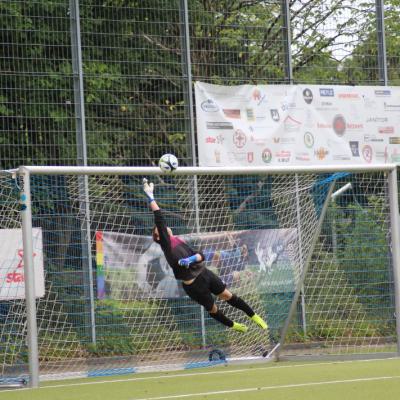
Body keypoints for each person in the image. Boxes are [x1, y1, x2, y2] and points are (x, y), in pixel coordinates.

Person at [143, 178, 268, 333]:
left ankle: (254, 316)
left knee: (229, 296)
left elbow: (200, 255)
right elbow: (159, 218)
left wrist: (190, 259)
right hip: (194, 286)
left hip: (205, 274)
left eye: (162, 228)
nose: (163, 228)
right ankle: (233, 325)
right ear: (159, 237)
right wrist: (151, 197)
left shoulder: (178, 242)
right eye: (159, 230)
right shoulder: (167, 245)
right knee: (213, 309)